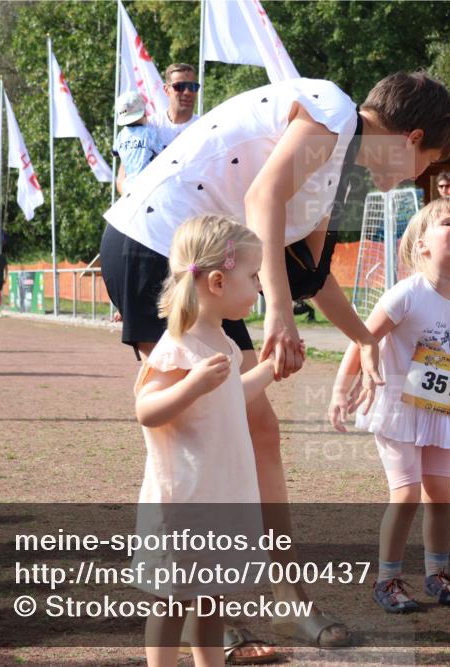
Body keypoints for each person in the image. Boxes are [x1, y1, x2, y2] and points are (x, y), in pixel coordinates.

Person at [102, 71, 450, 650]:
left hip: (217, 270)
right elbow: (260, 198)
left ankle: (283, 601)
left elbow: (311, 279)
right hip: (159, 248)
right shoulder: (334, 113)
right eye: (427, 163)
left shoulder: (338, 168)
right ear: (413, 137)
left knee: (258, 429)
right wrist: (276, 312)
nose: (415, 178)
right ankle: (206, 609)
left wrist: (366, 340)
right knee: (204, 427)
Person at [132, 216, 279, 667]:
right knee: (172, 600)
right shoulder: (176, 346)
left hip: (217, 496)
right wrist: (191, 385)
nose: (259, 286)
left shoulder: (225, 344)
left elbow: (229, 397)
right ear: (217, 281)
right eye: (253, 276)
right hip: (185, 504)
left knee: (213, 596)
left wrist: (270, 370)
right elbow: (146, 409)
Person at [329, 196, 450, 613]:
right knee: (407, 494)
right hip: (398, 410)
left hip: (441, 411)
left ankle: (438, 574)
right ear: (422, 246)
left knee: (440, 495)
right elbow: (361, 339)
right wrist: (341, 391)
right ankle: (388, 580)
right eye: (448, 222)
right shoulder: (407, 294)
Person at [113, 91, 161, 195]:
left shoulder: (120, 135)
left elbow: (115, 152)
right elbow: (161, 151)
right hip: (146, 184)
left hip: (127, 186)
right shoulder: (149, 132)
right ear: (143, 113)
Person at [151, 63, 200, 154]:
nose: (187, 92)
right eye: (179, 86)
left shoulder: (204, 128)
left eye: (192, 87)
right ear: (166, 90)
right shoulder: (151, 125)